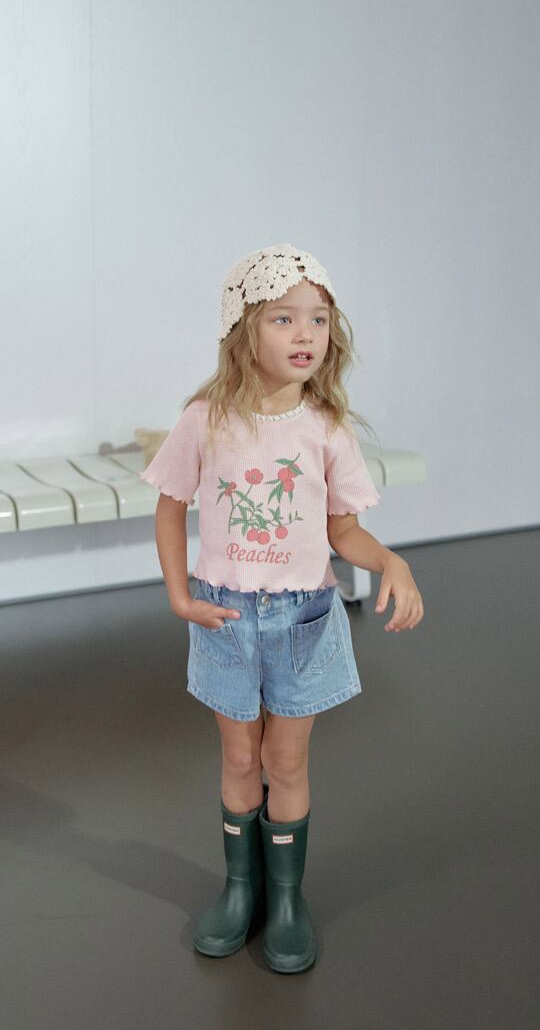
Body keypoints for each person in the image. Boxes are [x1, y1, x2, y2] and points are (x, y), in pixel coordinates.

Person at [139, 243, 424, 974]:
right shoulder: (205, 418)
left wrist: (390, 561)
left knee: (284, 761)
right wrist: (180, 595)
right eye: (283, 318)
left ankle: (288, 898)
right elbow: (170, 508)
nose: (306, 334)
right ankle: (242, 887)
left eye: (318, 319)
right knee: (240, 757)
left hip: (303, 621)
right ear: (243, 329)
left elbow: (343, 531)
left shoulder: (326, 427)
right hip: (226, 618)